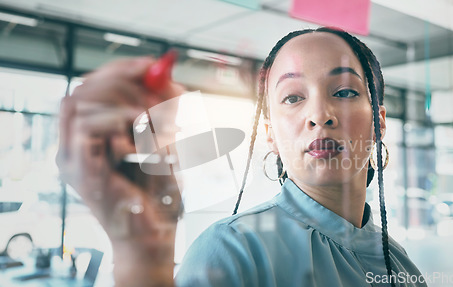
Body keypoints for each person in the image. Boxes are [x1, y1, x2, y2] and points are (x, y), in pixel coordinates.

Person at [57, 27, 426, 287]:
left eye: (344, 92)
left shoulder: (402, 265)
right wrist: (141, 258)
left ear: (378, 123)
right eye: (293, 97)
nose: (319, 114)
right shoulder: (232, 253)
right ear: (270, 135)